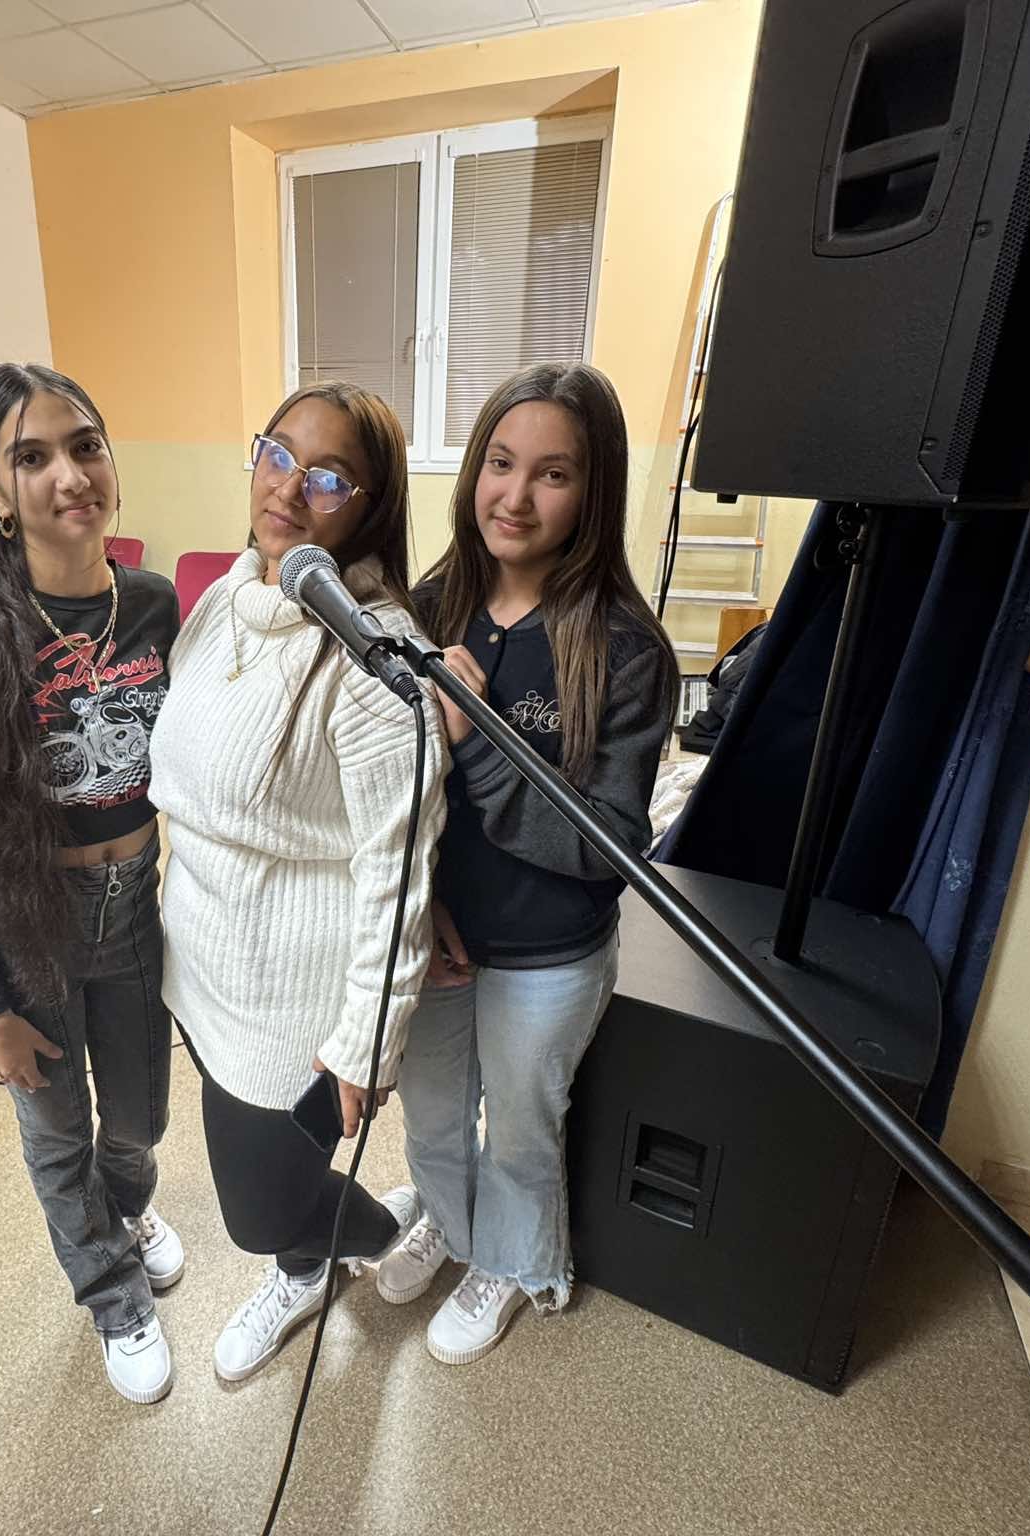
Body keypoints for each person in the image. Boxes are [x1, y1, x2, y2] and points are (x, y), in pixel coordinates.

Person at [149, 381, 449, 1383]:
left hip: (293, 1000)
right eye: (275, 454)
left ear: (366, 506)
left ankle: (372, 1233)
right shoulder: (226, 596)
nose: (287, 488)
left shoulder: (374, 656)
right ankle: (306, 1264)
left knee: (260, 1201)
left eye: (326, 477)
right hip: (202, 963)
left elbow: (396, 874)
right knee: (270, 1186)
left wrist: (365, 1040)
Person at [0, 363, 183, 1407]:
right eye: (32, 455)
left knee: (141, 1118)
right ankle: (111, 1293)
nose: (70, 474)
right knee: (56, 1125)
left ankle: (122, 1213)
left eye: (85, 445)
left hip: (139, 902)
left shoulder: (151, 604)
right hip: (29, 922)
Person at [379, 363, 679, 1364]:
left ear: (591, 492)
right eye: (500, 464)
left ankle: (514, 1262)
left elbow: (609, 848)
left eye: (551, 475)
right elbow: (389, 786)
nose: (514, 496)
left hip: (547, 954)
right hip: (438, 939)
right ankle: (450, 1221)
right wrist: (418, 909)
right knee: (427, 1118)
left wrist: (481, 741)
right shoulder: (425, 606)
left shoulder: (623, 648)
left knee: (517, 1129)